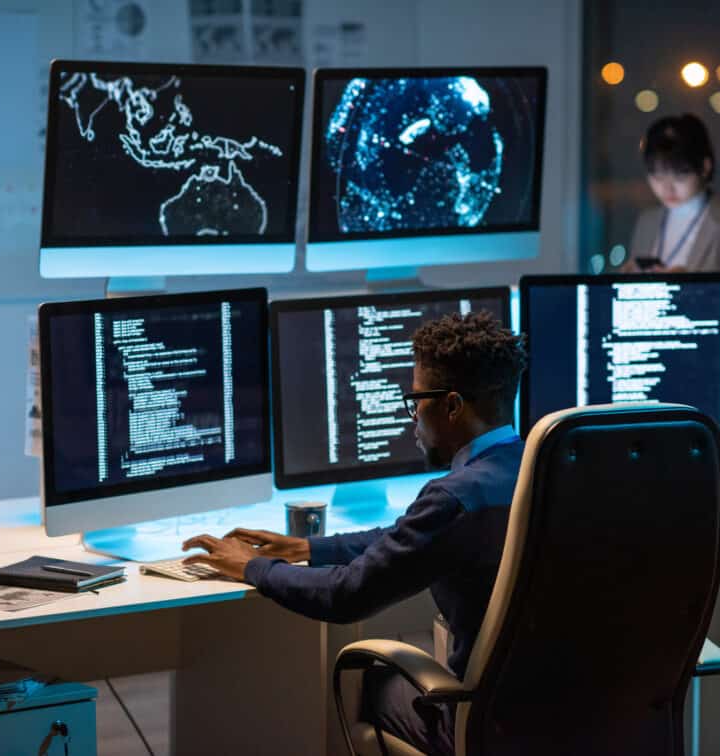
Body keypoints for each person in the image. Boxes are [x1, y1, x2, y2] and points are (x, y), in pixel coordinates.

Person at [182, 311, 527, 756]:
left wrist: (252, 567)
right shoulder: (547, 469)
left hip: (480, 728)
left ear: (452, 405)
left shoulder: (453, 497)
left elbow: (346, 595)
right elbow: (408, 535)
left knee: (367, 685)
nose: (412, 415)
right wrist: (309, 547)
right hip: (574, 719)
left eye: (416, 399)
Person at [624, 112, 720, 272]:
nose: (667, 188)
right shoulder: (646, 222)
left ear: (704, 167)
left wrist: (688, 286)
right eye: (657, 176)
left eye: (680, 176)